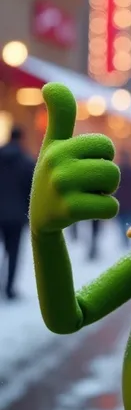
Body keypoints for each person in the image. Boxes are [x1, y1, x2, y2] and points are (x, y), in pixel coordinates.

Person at [0, 126, 35, 300]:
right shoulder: (26, 162)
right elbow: (32, 192)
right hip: (16, 216)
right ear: (21, 138)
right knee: (13, 253)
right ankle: (9, 289)